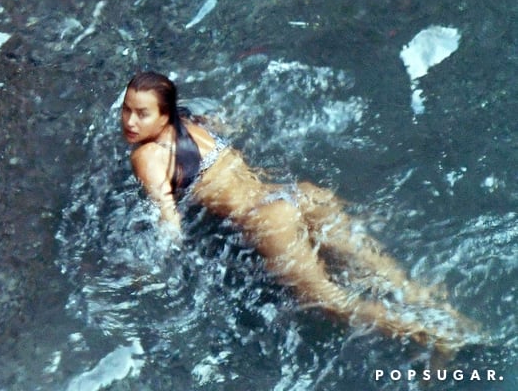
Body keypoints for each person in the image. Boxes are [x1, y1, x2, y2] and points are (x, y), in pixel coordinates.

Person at [121, 71, 478, 353]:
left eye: (142, 113)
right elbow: (237, 124)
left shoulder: (146, 156)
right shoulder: (195, 122)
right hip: (299, 195)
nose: (130, 122)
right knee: (393, 279)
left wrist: (147, 270)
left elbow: (168, 219)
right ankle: (457, 321)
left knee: (328, 300)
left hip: (266, 219)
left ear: (164, 115)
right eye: (126, 109)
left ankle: (435, 337)